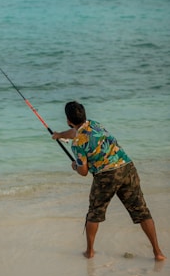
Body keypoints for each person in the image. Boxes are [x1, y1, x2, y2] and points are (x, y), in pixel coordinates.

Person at [52, 101, 166, 261]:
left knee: (94, 213)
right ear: (83, 115)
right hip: (127, 167)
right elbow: (76, 131)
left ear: (68, 120)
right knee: (142, 211)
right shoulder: (94, 124)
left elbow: (83, 172)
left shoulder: (77, 145)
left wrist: (75, 166)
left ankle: (90, 252)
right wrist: (59, 135)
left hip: (106, 176)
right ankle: (158, 252)